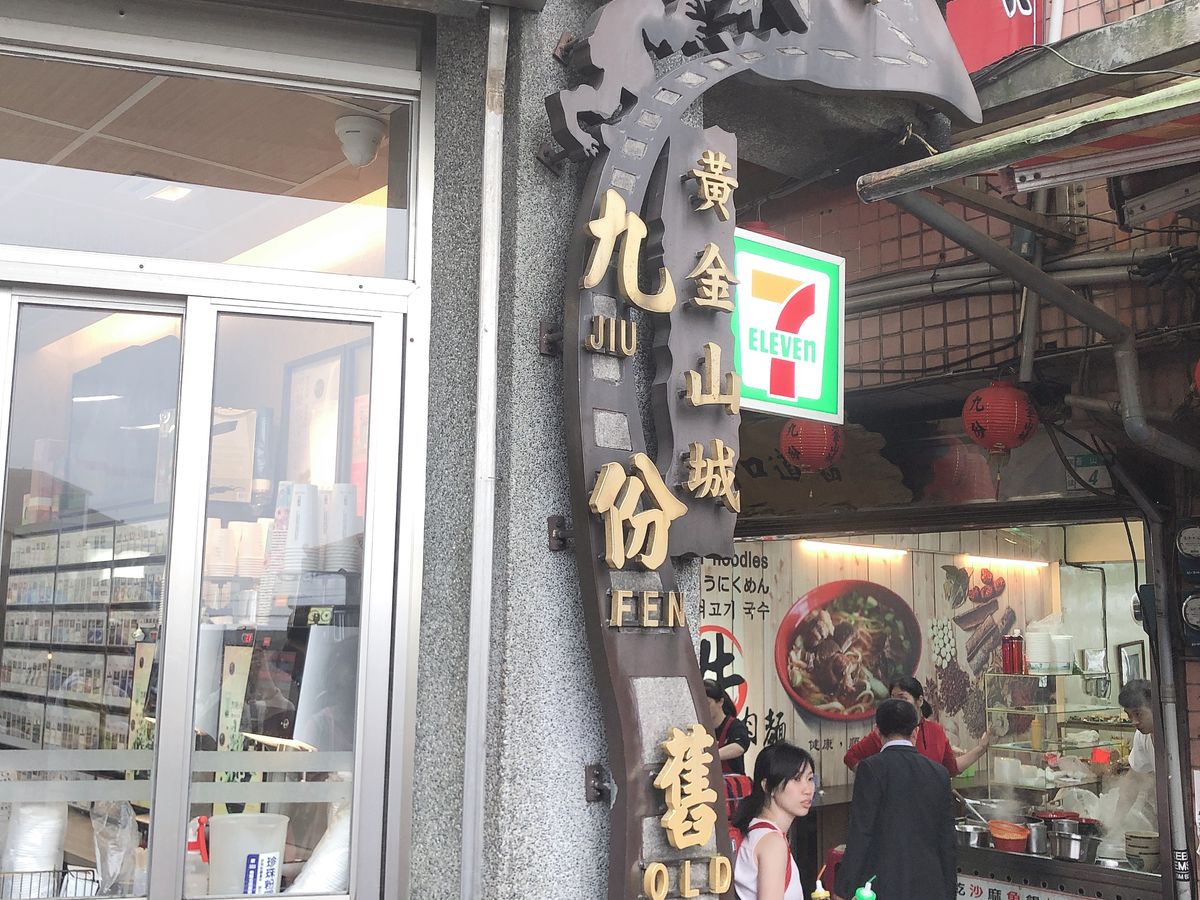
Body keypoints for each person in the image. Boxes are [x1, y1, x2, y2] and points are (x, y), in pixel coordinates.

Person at [835, 698, 957, 900]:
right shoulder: (939, 773)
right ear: (915, 732)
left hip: (884, 884)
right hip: (931, 886)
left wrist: (844, 889)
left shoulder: (871, 769)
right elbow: (947, 840)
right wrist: (949, 892)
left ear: (877, 732)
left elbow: (861, 832)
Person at [843, 676, 991, 776]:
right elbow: (851, 757)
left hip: (928, 806)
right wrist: (875, 782)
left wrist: (981, 749)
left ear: (919, 701)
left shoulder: (936, 730)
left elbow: (950, 768)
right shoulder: (885, 732)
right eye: (893, 699)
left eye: (902, 698)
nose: (896, 705)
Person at [731, 741, 816, 900]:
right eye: (796, 779)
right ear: (767, 786)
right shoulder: (773, 843)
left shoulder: (756, 830)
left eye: (810, 778)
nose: (808, 789)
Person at [1114, 679, 1157, 827]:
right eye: (1129, 715)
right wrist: (1115, 822)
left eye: (1138, 714)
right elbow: (1133, 780)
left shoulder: (1175, 733)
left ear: (1155, 707)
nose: (1134, 721)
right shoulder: (1142, 737)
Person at [706, 680, 751, 775]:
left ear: (720, 702)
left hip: (731, 782)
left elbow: (739, 747)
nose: (704, 707)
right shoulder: (699, 728)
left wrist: (710, 756)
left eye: (708, 703)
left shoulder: (735, 725)